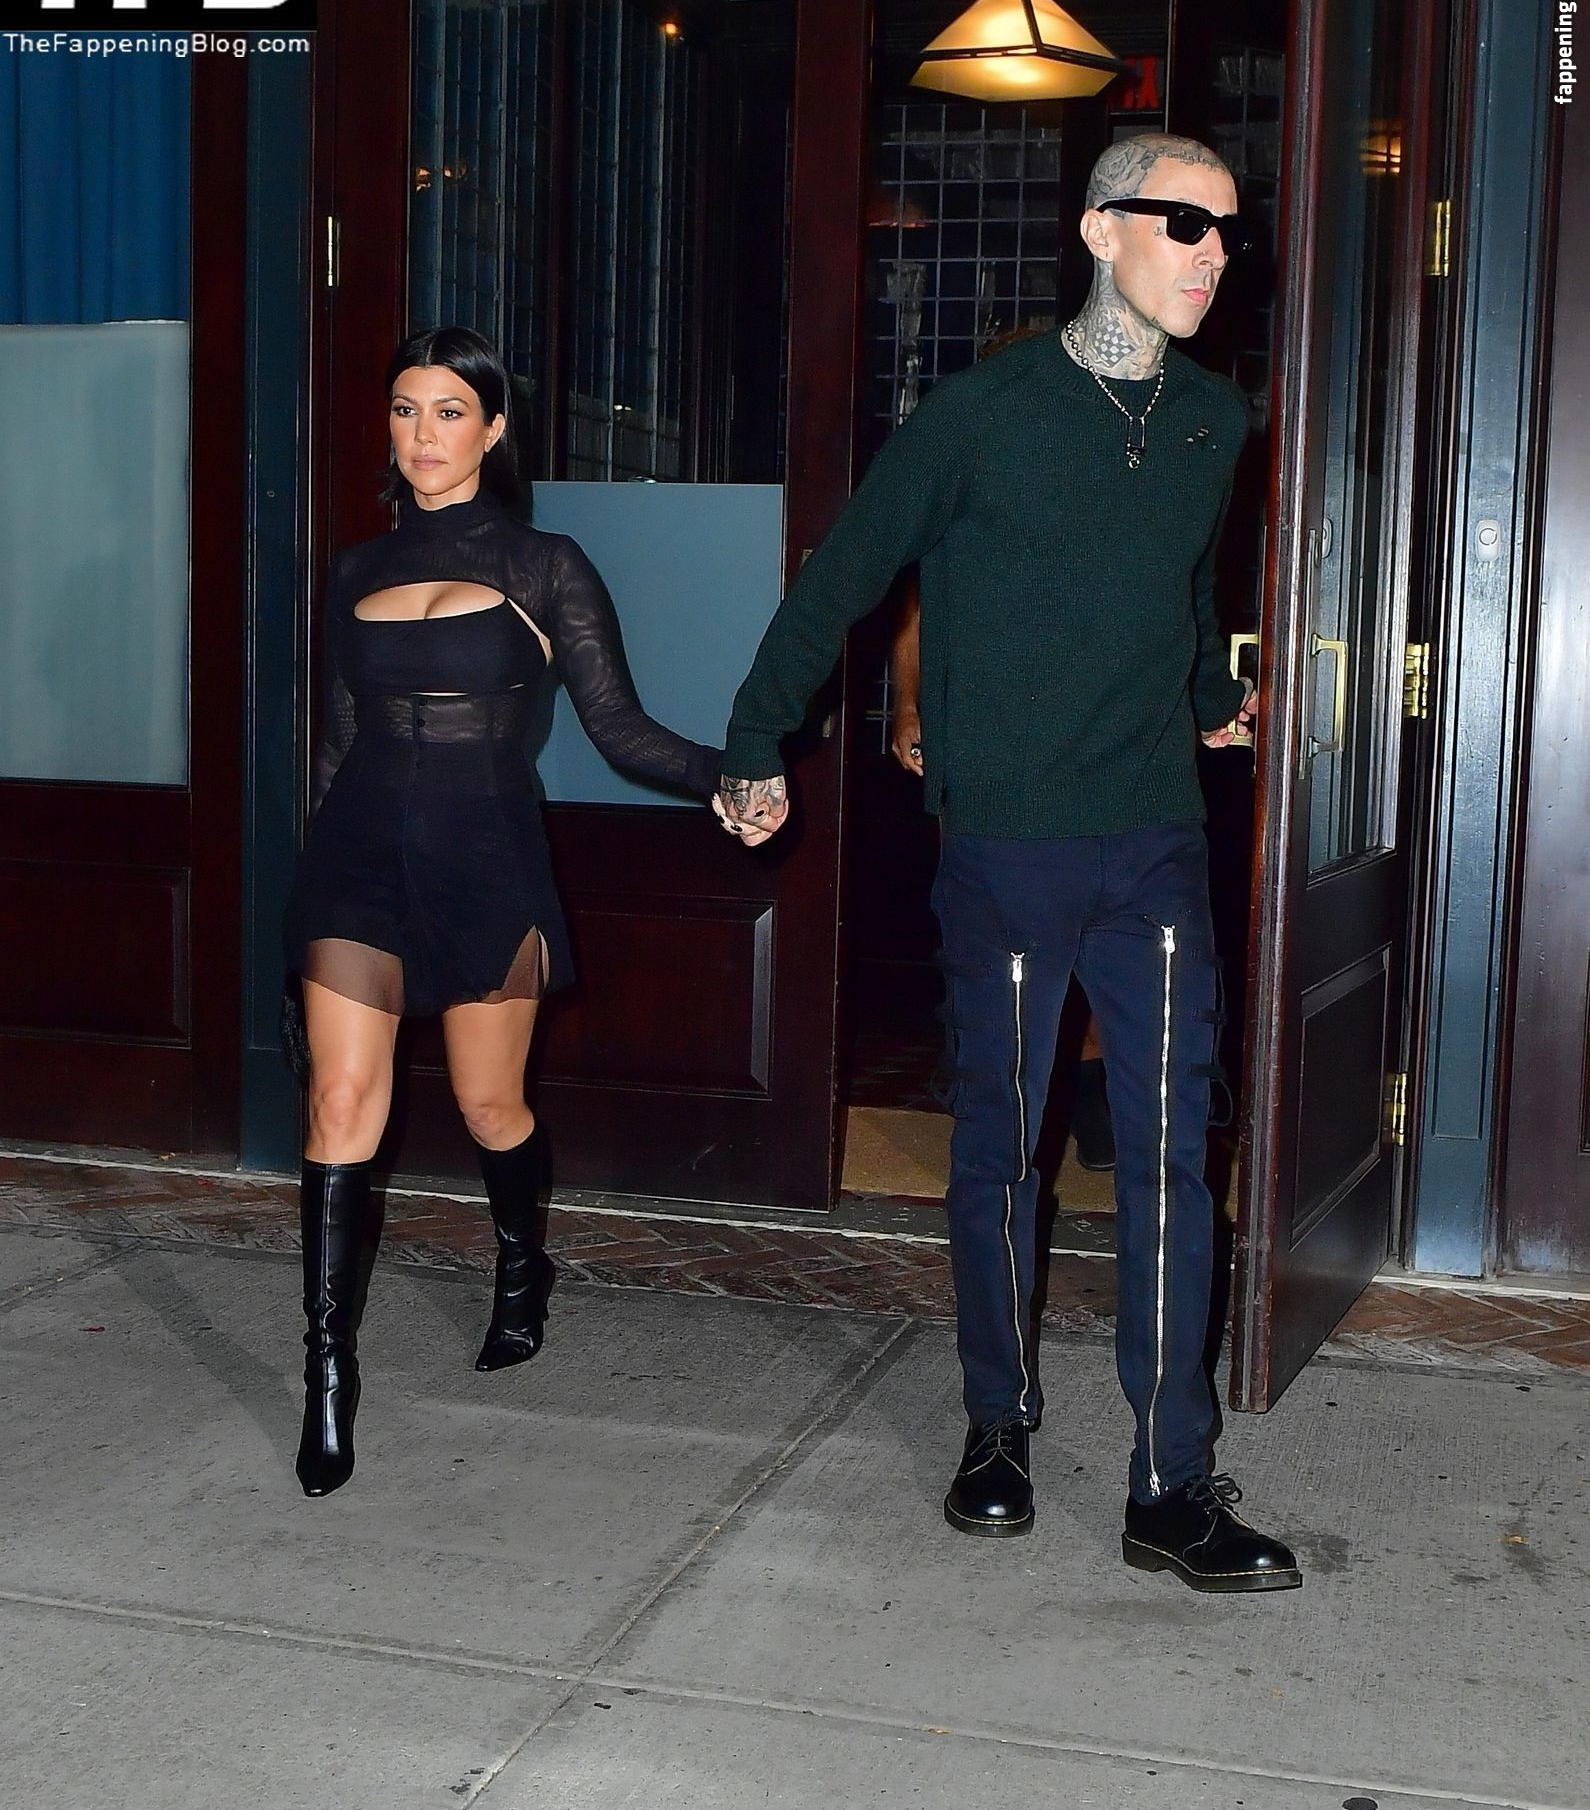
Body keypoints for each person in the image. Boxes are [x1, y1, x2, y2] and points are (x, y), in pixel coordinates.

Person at [714, 134, 1298, 1593]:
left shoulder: (1214, 419)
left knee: (1171, 1156)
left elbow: (1181, 596)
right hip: (1009, 847)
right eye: (1184, 224)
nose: (1213, 253)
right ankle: (998, 1424)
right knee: (1002, 1148)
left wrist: (1204, 699)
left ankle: (1170, 1481)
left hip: (1156, 841)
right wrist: (754, 739)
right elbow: (846, 576)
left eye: (1227, 231)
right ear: (1101, 229)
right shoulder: (980, 414)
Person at [284, 325, 719, 1499]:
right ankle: (328, 1376)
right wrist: (304, 890)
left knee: (490, 1104)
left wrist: (729, 777)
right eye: (404, 409)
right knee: (340, 1104)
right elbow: (334, 746)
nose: (422, 434)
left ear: (493, 429)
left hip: (487, 857)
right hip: (358, 860)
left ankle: (525, 1266)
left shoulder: (546, 565)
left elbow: (618, 727)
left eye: (447, 412)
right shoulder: (355, 567)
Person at [891, 574, 1116, 1172]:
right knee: (986, 927)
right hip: (979, 756)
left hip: (1087, 749)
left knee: (1093, 922)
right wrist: (908, 707)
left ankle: (1091, 1084)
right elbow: (916, 614)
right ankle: (985, 1093)